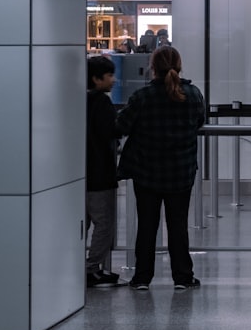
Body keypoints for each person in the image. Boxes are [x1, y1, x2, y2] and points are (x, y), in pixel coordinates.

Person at [116, 46, 206, 290]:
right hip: (181, 171)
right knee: (178, 225)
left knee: (147, 225)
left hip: (147, 171)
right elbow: (200, 121)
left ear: (152, 68)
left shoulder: (142, 97)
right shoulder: (193, 94)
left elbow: (122, 125)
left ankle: (142, 278)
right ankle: (183, 277)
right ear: (179, 65)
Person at [86, 56, 123, 288]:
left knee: (84, 222)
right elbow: (113, 131)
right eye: (109, 76)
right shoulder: (102, 103)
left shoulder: (80, 100)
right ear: (96, 78)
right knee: (104, 223)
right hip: (100, 173)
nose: (114, 80)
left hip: (80, 173)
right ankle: (91, 269)